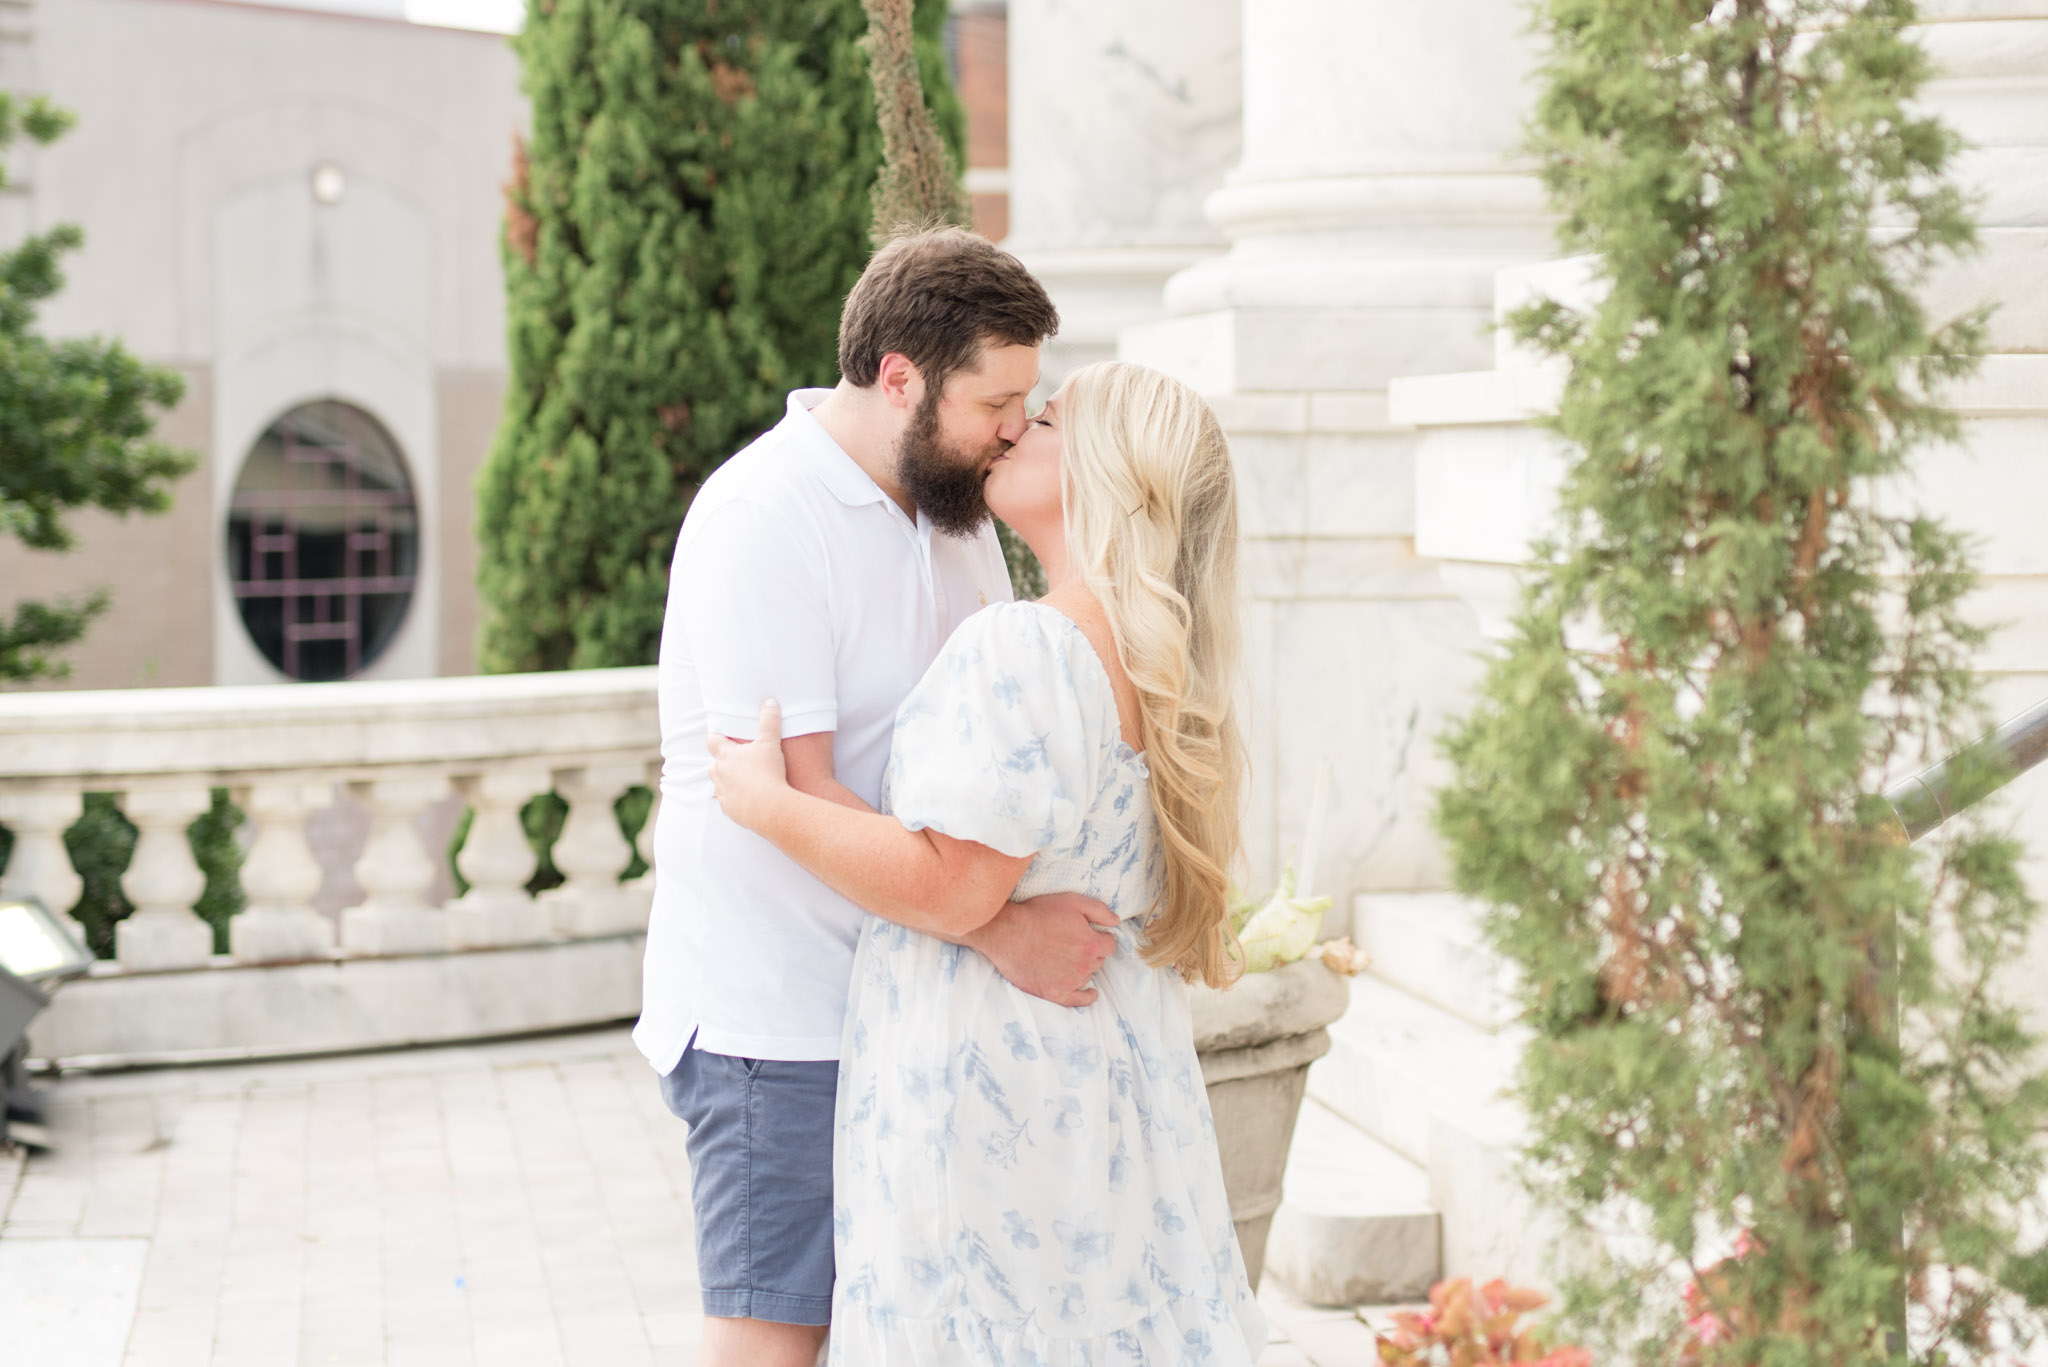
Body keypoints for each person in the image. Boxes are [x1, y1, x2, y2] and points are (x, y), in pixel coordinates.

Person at [708, 360, 1269, 1364]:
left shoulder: (1027, 646)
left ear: (1110, 475)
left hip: (993, 1091)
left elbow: (950, 882)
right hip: (1107, 1078)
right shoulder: (1160, 666)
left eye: (1042, 418)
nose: (1012, 432)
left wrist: (767, 803)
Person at [635, 228, 1125, 1367]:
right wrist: (1000, 927)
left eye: (1027, 399)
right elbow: (796, 791)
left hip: (905, 994)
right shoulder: (763, 513)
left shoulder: (952, 507)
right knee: (775, 1337)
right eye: (993, 398)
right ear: (897, 375)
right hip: (781, 1014)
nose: (1015, 424)